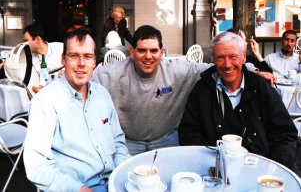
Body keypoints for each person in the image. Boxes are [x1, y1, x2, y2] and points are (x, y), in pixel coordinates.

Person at [92, 25, 271, 156]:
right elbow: (85, 86)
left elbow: (216, 66)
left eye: (154, 50)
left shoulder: (177, 70)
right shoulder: (109, 73)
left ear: (162, 52)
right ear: (132, 52)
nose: (148, 56)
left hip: (167, 139)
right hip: (128, 142)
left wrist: (252, 70)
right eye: (142, 51)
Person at [23, 29, 130, 191]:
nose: (81, 63)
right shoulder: (46, 101)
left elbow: (118, 141)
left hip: (114, 182)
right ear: (63, 59)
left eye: (87, 56)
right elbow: (36, 165)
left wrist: (125, 173)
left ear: (95, 61)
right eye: (74, 56)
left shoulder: (102, 94)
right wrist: (78, 189)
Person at [178, 31, 297, 171]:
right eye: (220, 58)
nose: (227, 64)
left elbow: (284, 133)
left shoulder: (260, 88)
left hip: (259, 168)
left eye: (233, 56)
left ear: (243, 57)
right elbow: (189, 131)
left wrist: (273, 168)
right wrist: (209, 161)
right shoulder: (203, 89)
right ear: (213, 60)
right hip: (214, 168)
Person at [23, 24, 64, 92]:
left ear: (37, 39)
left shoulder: (61, 48)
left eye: (26, 41)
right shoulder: (29, 59)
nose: (24, 44)